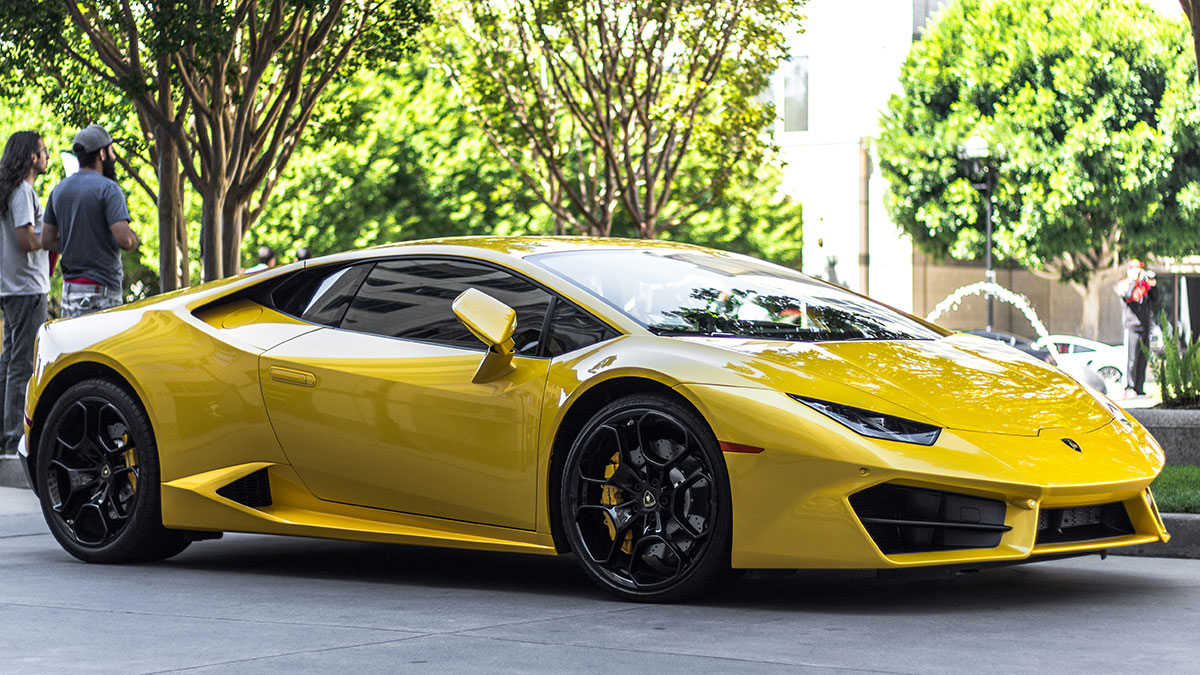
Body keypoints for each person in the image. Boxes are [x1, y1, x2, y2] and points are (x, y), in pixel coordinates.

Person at [42, 124, 139, 318]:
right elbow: (124, 240)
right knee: (103, 348)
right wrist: (134, 239)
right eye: (111, 150)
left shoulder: (59, 190)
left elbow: (46, 240)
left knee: (77, 348)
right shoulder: (109, 189)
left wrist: (76, 244)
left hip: (70, 290)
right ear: (102, 154)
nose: (113, 156)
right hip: (102, 291)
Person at [0, 131, 51, 454]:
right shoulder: (23, 192)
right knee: (22, 364)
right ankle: (12, 439)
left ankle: (4, 436)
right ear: (32, 157)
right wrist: (52, 237)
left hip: (10, 287)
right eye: (44, 152)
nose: (47, 157)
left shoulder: (9, 192)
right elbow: (26, 240)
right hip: (27, 287)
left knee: (8, 361)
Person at [1115, 258, 1158, 399]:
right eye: (1135, 268)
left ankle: (1139, 388)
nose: (1138, 271)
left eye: (1140, 268)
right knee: (1131, 359)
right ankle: (1129, 388)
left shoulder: (1144, 285)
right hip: (1132, 328)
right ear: (1129, 270)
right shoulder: (1125, 284)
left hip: (1145, 328)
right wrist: (1134, 280)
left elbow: (1155, 298)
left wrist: (1153, 285)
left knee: (1142, 359)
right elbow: (1128, 295)